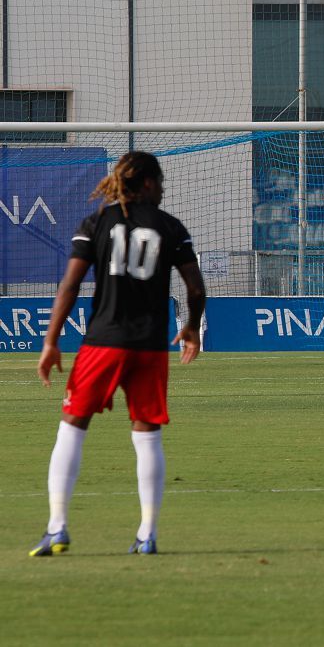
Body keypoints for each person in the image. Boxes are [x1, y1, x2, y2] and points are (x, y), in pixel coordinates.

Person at [30, 151, 206, 557]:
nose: (162, 189)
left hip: (102, 343)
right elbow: (195, 288)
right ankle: (147, 534)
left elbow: (69, 287)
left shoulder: (96, 223)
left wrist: (51, 341)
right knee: (147, 435)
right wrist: (192, 328)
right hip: (148, 347)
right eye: (160, 182)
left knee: (72, 426)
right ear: (146, 183)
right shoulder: (170, 227)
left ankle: (57, 527)